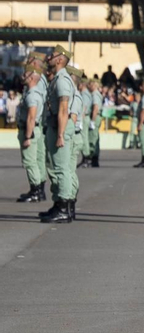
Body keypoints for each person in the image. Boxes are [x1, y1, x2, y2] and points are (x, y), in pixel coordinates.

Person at [38, 47, 79, 224]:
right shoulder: (57, 78)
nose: (49, 58)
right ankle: (59, 205)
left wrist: (61, 134)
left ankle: (63, 208)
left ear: (61, 59)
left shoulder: (62, 80)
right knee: (57, 167)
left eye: (53, 56)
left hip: (59, 126)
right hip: (56, 124)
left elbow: (63, 108)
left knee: (61, 169)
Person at [17, 53, 49, 203]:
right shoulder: (36, 85)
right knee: (37, 158)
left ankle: (37, 189)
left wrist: (28, 136)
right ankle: (38, 189)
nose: (26, 65)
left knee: (32, 160)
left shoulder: (36, 86)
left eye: (29, 61)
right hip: (36, 125)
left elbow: (32, 114)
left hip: (34, 126)